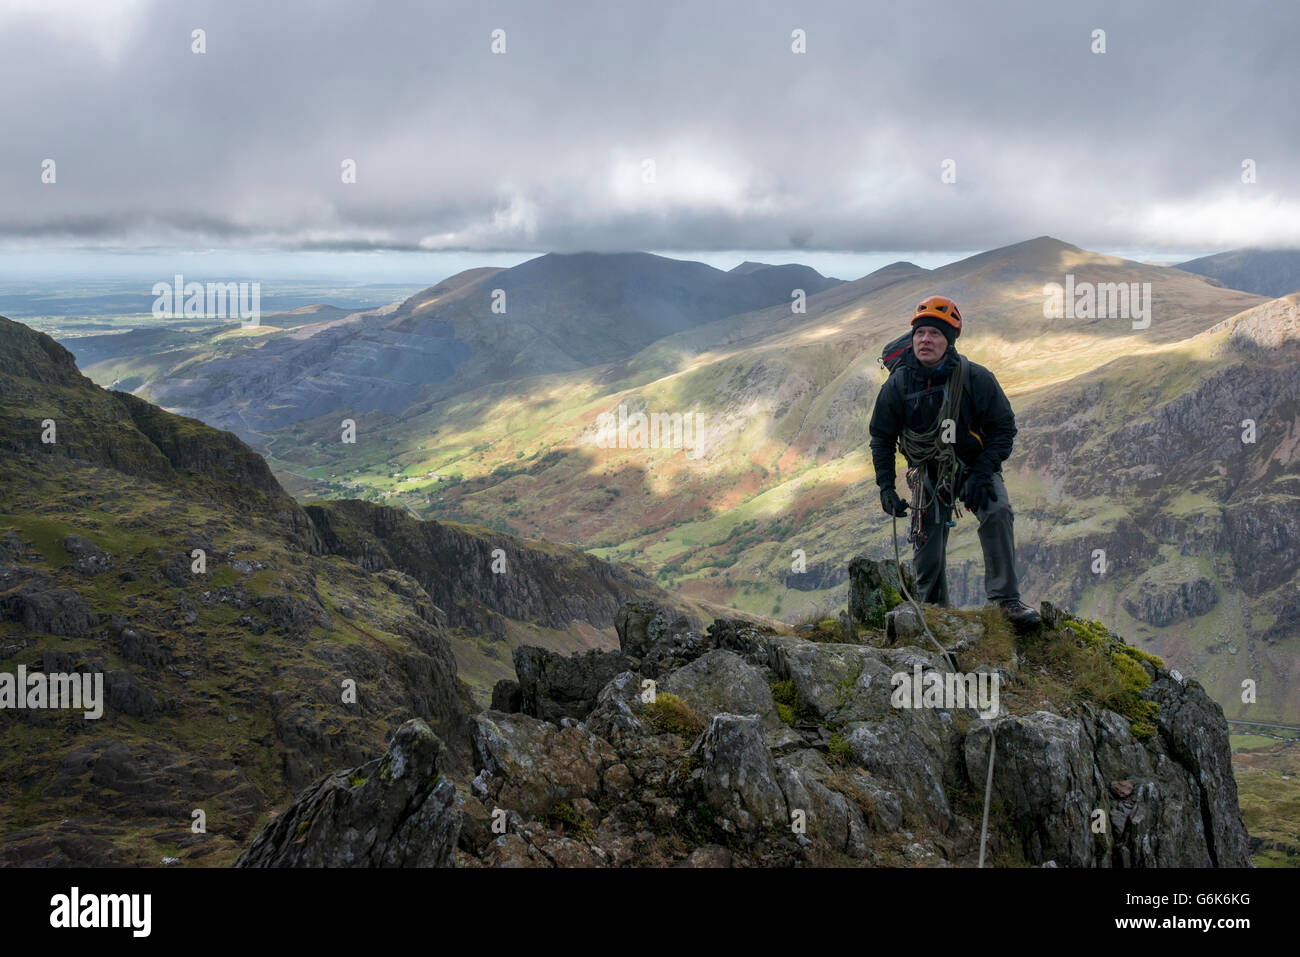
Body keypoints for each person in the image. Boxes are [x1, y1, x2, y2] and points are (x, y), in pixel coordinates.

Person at [868, 295, 1040, 629]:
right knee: (926, 544)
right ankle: (934, 613)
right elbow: (882, 438)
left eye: (934, 334)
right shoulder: (897, 386)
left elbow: (1003, 429)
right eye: (920, 333)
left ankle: (1005, 601)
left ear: (949, 341)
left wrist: (983, 471)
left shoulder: (976, 378)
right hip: (928, 473)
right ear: (912, 339)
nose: (925, 340)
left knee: (997, 511)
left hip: (973, 466)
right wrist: (886, 487)